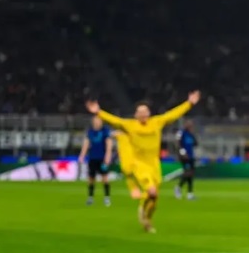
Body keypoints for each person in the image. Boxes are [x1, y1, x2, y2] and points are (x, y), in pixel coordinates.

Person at [86, 91, 200, 232]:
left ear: (149, 113)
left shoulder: (156, 122)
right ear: (136, 115)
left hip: (154, 165)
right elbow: (115, 120)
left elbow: (173, 114)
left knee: (154, 198)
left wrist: (189, 103)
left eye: (145, 111)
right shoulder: (130, 125)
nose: (143, 114)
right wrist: (99, 112)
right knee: (151, 191)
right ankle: (144, 215)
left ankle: (146, 218)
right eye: (140, 112)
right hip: (140, 165)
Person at [78, 116, 112, 206]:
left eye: (99, 121)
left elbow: (108, 143)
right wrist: (82, 155)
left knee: (105, 178)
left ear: (101, 122)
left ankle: (107, 198)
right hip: (92, 158)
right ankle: (90, 198)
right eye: (95, 121)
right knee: (91, 179)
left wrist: (108, 155)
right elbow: (86, 144)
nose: (97, 122)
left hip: (102, 159)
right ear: (93, 122)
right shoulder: (90, 131)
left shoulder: (105, 131)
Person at [111, 129, 141, 200]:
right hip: (125, 159)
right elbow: (110, 134)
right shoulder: (121, 135)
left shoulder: (134, 133)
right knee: (129, 174)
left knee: (136, 175)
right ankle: (134, 190)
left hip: (135, 158)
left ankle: (137, 190)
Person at [175, 119, 198, 200]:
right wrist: (182, 153)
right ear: (185, 125)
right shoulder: (181, 133)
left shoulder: (190, 134)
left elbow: (196, 143)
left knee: (191, 174)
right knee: (188, 173)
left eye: (191, 125)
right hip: (184, 157)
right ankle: (178, 187)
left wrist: (193, 135)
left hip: (191, 156)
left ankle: (190, 193)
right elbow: (177, 143)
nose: (190, 126)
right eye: (189, 124)